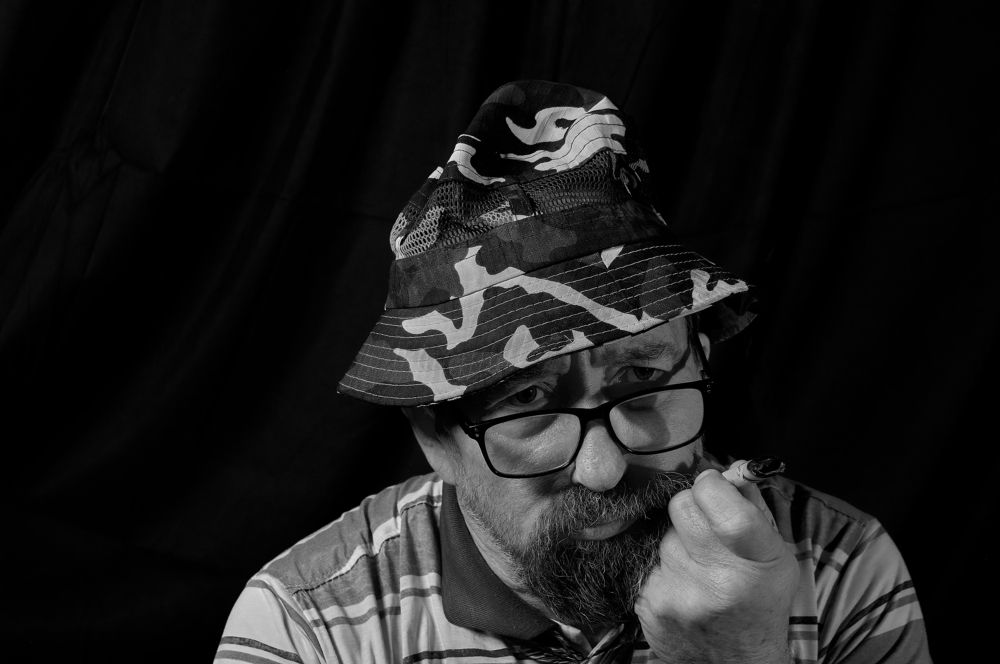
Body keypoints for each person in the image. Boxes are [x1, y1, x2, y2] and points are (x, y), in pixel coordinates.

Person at [215, 81, 930, 664]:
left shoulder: (840, 568)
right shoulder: (309, 629)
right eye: (528, 398)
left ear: (701, 360)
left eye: (642, 377)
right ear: (436, 436)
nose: (604, 469)